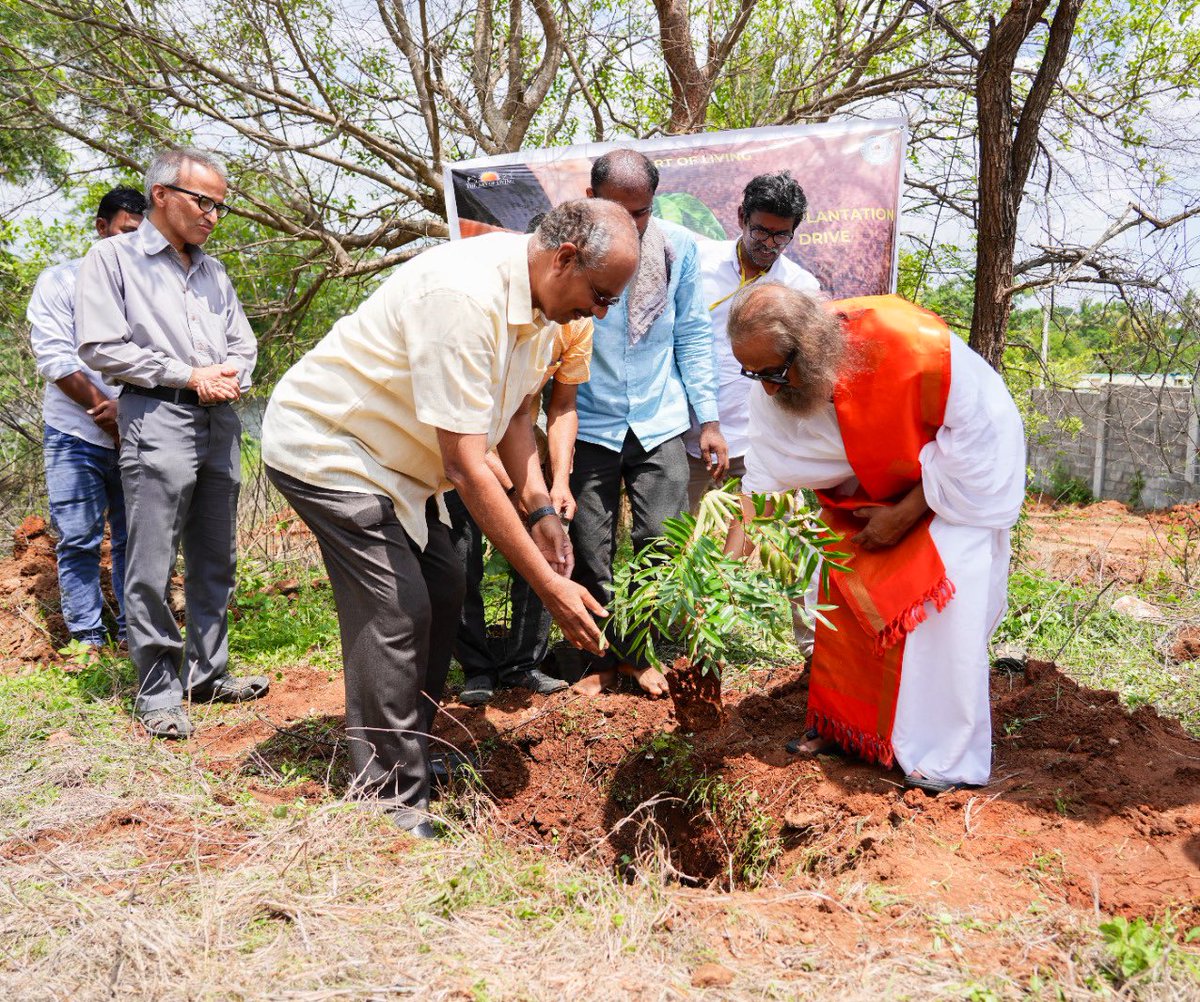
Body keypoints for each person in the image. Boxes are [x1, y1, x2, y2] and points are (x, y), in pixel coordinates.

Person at [260, 199, 639, 837]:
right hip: (330, 446)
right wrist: (549, 588)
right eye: (600, 295)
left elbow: (517, 420)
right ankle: (386, 799)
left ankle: (412, 745)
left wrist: (541, 507)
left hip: (401, 467)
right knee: (396, 607)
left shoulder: (543, 307)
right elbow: (466, 465)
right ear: (565, 259)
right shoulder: (464, 298)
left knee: (443, 584)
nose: (599, 312)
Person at [729, 286, 1024, 792]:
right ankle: (849, 732)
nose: (769, 391)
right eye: (754, 375)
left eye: (775, 374)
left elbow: (985, 433)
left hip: (944, 492)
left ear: (814, 346)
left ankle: (940, 755)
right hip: (860, 507)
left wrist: (907, 513)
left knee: (941, 608)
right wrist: (722, 573)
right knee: (841, 592)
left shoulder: (908, 342)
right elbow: (761, 483)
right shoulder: (774, 389)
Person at [75, 148, 265, 740]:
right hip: (155, 414)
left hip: (219, 420)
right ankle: (157, 690)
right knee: (153, 559)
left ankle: (208, 673)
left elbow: (244, 343)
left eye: (220, 207)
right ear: (162, 194)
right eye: (203, 202)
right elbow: (100, 346)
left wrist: (231, 373)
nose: (213, 216)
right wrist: (189, 375)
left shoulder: (213, 271)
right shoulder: (113, 258)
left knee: (216, 555)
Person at [572, 148, 726, 698]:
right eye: (618, 209)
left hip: (659, 418)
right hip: (586, 420)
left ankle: (638, 654)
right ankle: (597, 660)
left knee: (660, 538)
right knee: (588, 544)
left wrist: (706, 421)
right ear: (591, 200)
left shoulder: (678, 248)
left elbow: (692, 334)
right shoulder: (567, 249)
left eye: (640, 213)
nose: (630, 224)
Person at [451, 315, 593, 706]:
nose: (594, 309)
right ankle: (476, 667)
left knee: (547, 548)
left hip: (525, 447)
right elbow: (469, 429)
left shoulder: (576, 323)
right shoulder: (491, 317)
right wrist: (510, 486)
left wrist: (557, 482)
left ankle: (523, 665)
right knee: (462, 562)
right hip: (461, 446)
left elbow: (563, 406)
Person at [28, 186, 146, 652]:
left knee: (133, 539)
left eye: (143, 236)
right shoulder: (60, 282)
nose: (133, 245)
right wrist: (109, 416)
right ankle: (87, 636)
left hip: (137, 427)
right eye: (125, 232)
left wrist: (130, 416)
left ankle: (132, 631)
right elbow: (57, 360)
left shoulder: (148, 290)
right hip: (74, 432)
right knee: (78, 537)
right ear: (101, 228)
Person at [685, 171, 820, 511]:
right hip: (690, 441)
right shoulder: (698, 263)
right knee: (679, 547)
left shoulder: (800, 288)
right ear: (742, 217)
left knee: (756, 548)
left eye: (781, 236)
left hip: (760, 446)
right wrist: (707, 425)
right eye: (761, 230)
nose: (769, 244)